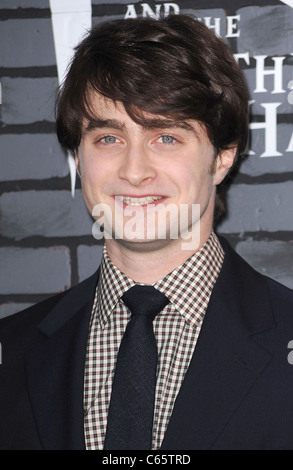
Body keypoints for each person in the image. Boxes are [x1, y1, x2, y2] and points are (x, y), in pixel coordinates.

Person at [1, 14, 293, 451]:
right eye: (108, 139)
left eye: (167, 138)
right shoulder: (12, 350)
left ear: (222, 158)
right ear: (78, 159)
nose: (134, 172)